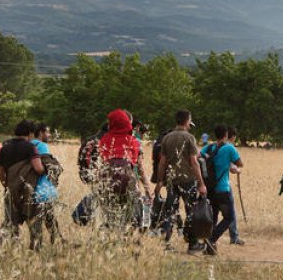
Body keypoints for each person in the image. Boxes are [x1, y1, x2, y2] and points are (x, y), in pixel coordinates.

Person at [156, 110, 211, 255]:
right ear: (187, 121)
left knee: (170, 211)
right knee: (191, 211)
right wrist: (201, 183)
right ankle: (193, 245)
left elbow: (162, 162)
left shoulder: (167, 138)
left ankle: (165, 243)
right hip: (188, 180)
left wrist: (160, 180)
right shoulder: (189, 138)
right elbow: (194, 162)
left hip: (171, 180)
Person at [98, 109, 148, 231]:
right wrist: (146, 187)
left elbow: (101, 158)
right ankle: (125, 234)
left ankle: (111, 233)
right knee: (129, 210)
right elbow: (136, 163)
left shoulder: (104, 139)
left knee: (110, 212)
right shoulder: (132, 140)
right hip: (127, 178)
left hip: (107, 178)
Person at [0, 120, 44, 242]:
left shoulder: (5, 148)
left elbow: (0, 171)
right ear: (30, 133)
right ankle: (35, 247)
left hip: (10, 190)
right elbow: (38, 168)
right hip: (27, 190)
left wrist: (5, 184)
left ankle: (8, 246)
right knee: (34, 220)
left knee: (10, 221)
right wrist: (47, 169)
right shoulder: (30, 147)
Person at [201, 125, 243, 252]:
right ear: (225, 135)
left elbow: (199, 158)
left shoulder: (208, 147)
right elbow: (240, 163)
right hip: (223, 189)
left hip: (210, 189)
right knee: (229, 217)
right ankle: (212, 239)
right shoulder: (229, 148)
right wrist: (234, 167)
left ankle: (209, 248)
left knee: (213, 218)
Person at [30, 123, 63, 245]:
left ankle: (56, 240)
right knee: (47, 217)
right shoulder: (42, 146)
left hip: (31, 187)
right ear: (40, 133)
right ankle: (54, 242)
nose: (49, 135)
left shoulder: (30, 144)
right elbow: (46, 166)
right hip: (43, 187)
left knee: (42, 218)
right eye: (47, 132)